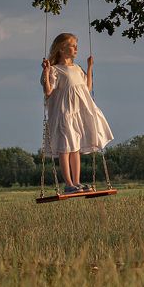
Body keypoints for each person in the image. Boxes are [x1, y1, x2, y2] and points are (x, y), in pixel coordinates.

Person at [41, 32, 115, 194]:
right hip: (63, 115)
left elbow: (87, 88)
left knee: (75, 149)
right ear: (62, 49)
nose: (76, 48)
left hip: (77, 115)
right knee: (65, 148)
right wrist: (46, 72)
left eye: (76, 45)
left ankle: (76, 182)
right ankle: (68, 184)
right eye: (72, 46)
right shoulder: (56, 70)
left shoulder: (77, 69)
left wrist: (89, 67)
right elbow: (48, 91)